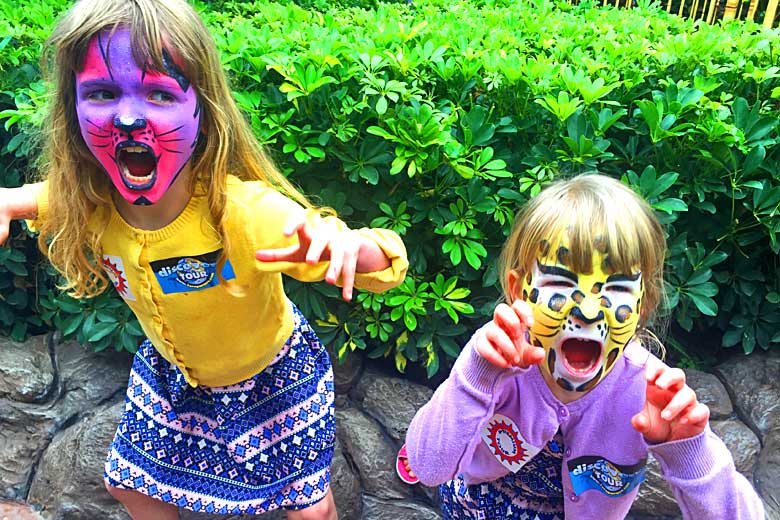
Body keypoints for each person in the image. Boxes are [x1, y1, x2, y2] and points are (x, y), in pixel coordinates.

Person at [0, 0, 408, 518]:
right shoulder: (92, 199)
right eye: (101, 93)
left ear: (203, 107)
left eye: (159, 92)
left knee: (308, 509)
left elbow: (382, 262)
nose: (127, 117)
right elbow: (45, 196)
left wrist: (354, 247)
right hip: (174, 374)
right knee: (130, 484)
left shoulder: (241, 212)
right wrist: (8, 201)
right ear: (71, 109)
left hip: (272, 374)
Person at [402, 174, 765, 519]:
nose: (589, 311)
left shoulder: (647, 389)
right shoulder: (497, 356)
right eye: (559, 283)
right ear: (518, 291)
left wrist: (689, 449)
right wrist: (476, 378)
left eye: (618, 288)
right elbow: (427, 467)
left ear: (645, 304)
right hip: (475, 503)